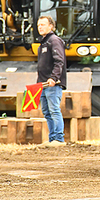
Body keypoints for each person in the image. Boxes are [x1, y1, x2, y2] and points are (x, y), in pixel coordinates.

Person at [37, 15, 67, 143]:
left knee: (54, 110)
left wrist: (53, 78)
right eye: (39, 25)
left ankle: (59, 139)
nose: (40, 27)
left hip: (52, 84)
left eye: (43, 24)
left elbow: (59, 61)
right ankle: (52, 139)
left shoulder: (54, 40)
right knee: (47, 112)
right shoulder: (43, 42)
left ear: (51, 26)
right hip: (43, 85)